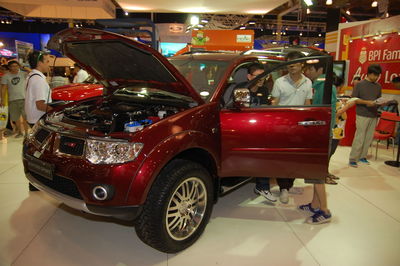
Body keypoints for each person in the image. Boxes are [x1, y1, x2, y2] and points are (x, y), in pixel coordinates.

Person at [270, 51, 313, 203]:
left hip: (299, 126)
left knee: (295, 158)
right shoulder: (280, 82)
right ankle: (283, 187)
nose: (291, 66)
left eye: (295, 63)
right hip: (283, 125)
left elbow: (308, 104)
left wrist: (308, 125)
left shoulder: (308, 82)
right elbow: (274, 103)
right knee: (282, 157)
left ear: (302, 64)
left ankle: (289, 185)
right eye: (289, 63)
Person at [304, 52, 339, 185]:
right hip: (321, 127)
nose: (308, 72)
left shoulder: (323, 86)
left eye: (310, 69)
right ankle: (323, 175)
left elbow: (330, 111)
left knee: (318, 158)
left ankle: (322, 177)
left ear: (320, 70)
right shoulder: (318, 85)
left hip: (321, 129)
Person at [246, 63, 277, 202]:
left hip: (260, 129)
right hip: (243, 130)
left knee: (266, 155)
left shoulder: (264, 90)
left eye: (263, 76)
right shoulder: (241, 90)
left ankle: (263, 186)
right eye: (257, 76)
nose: (261, 79)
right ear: (249, 76)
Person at [348, 64, 382, 167]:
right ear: (370, 74)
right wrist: (366, 102)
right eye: (375, 75)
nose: (377, 78)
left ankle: (363, 157)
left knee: (368, 137)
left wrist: (380, 103)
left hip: (373, 114)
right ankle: (353, 158)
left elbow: (378, 99)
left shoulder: (378, 86)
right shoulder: (359, 84)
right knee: (360, 137)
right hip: (362, 114)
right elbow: (354, 99)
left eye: (378, 76)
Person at [0, 60, 29, 137]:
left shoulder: (23, 74)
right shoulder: (6, 76)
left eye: (16, 66)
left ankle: (27, 133)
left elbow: (32, 72)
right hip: (12, 99)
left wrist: (23, 67)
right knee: (16, 118)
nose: (15, 68)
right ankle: (20, 132)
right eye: (13, 66)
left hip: (24, 99)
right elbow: (3, 89)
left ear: (19, 66)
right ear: (9, 67)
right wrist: (2, 99)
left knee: (25, 117)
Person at [25, 50, 52, 127]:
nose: (49, 64)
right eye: (47, 61)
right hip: (38, 119)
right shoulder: (38, 80)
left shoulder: (31, 76)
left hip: (33, 118)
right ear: (40, 63)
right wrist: (55, 112)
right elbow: (40, 105)